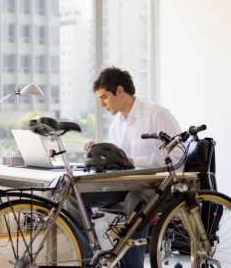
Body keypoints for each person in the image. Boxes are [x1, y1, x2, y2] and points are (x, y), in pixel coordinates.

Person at [70, 66, 182, 268]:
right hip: (126, 183)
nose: (102, 104)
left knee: (136, 199)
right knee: (74, 195)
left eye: (104, 97)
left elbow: (177, 156)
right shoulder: (117, 124)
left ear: (120, 91)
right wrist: (101, 154)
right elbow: (120, 162)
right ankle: (88, 259)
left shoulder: (157, 114)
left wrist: (134, 161)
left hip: (156, 185)